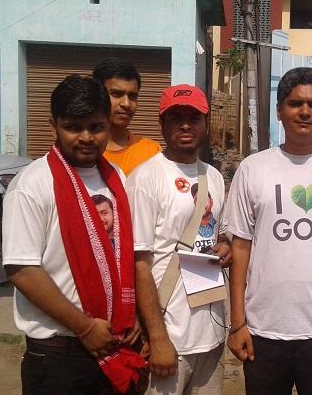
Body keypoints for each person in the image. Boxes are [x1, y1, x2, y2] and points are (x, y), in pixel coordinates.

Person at [2, 75, 151, 394]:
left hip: (116, 341)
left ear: (108, 125)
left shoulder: (115, 178)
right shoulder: (32, 185)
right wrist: (84, 328)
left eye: (96, 127)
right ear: (53, 126)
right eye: (73, 126)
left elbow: (121, 252)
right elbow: (22, 270)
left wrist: (134, 310)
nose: (86, 137)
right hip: (60, 355)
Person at [226, 67, 312, 395]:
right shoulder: (253, 169)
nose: (304, 112)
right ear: (279, 110)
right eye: (294, 103)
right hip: (263, 330)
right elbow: (241, 248)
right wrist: (237, 322)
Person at [126, 83, 232, 395]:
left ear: (205, 123)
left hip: (211, 332)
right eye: (175, 118)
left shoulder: (212, 176)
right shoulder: (146, 177)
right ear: (162, 124)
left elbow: (218, 232)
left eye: (193, 117)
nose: (185, 124)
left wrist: (224, 246)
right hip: (170, 336)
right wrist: (157, 338)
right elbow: (139, 263)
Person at [93, 57, 161, 175]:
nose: (126, 104)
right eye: (116, 94)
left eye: (132, 96)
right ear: (98, 95)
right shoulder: (84, 151)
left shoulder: (151, 152)